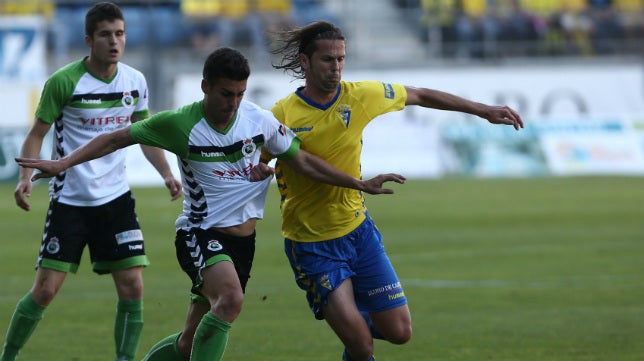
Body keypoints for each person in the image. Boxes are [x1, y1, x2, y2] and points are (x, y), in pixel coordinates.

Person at [15, 47, 406, 361]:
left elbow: (301, 160)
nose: (233, 103)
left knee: (189, 344)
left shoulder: (260, 121)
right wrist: (63, 162)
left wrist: (356, 182)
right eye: (225, 94)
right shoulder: (179, 123)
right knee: (231, 300)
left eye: (240, 94)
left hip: (242, 244)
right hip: (199, 234)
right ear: (205, 87)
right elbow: (119, 137)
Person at [265, 20, 524, 361]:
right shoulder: (282, 114)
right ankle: (353, 331)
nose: (337, 66)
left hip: (359, 234)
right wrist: (255, 169)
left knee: (399, 333)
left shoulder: (360, 95)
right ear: (305, 62)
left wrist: (483, 110)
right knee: (361, 345)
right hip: (312, 244)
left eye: (341, 58)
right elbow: (264, 159)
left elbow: (420, 94)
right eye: (328, 59)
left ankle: (352, 325)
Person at [1, 3, 182, 361]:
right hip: (71, 201)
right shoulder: (64, 82)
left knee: (133, 286)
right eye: (105, 35)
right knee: (45, 291)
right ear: (89, 40)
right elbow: (37, 133)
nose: (114, 41)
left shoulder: (135, 82)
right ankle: (7, 356)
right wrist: (25, 177)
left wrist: (166, 173)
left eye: (120, 34)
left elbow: (144, 135)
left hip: (116, 200)